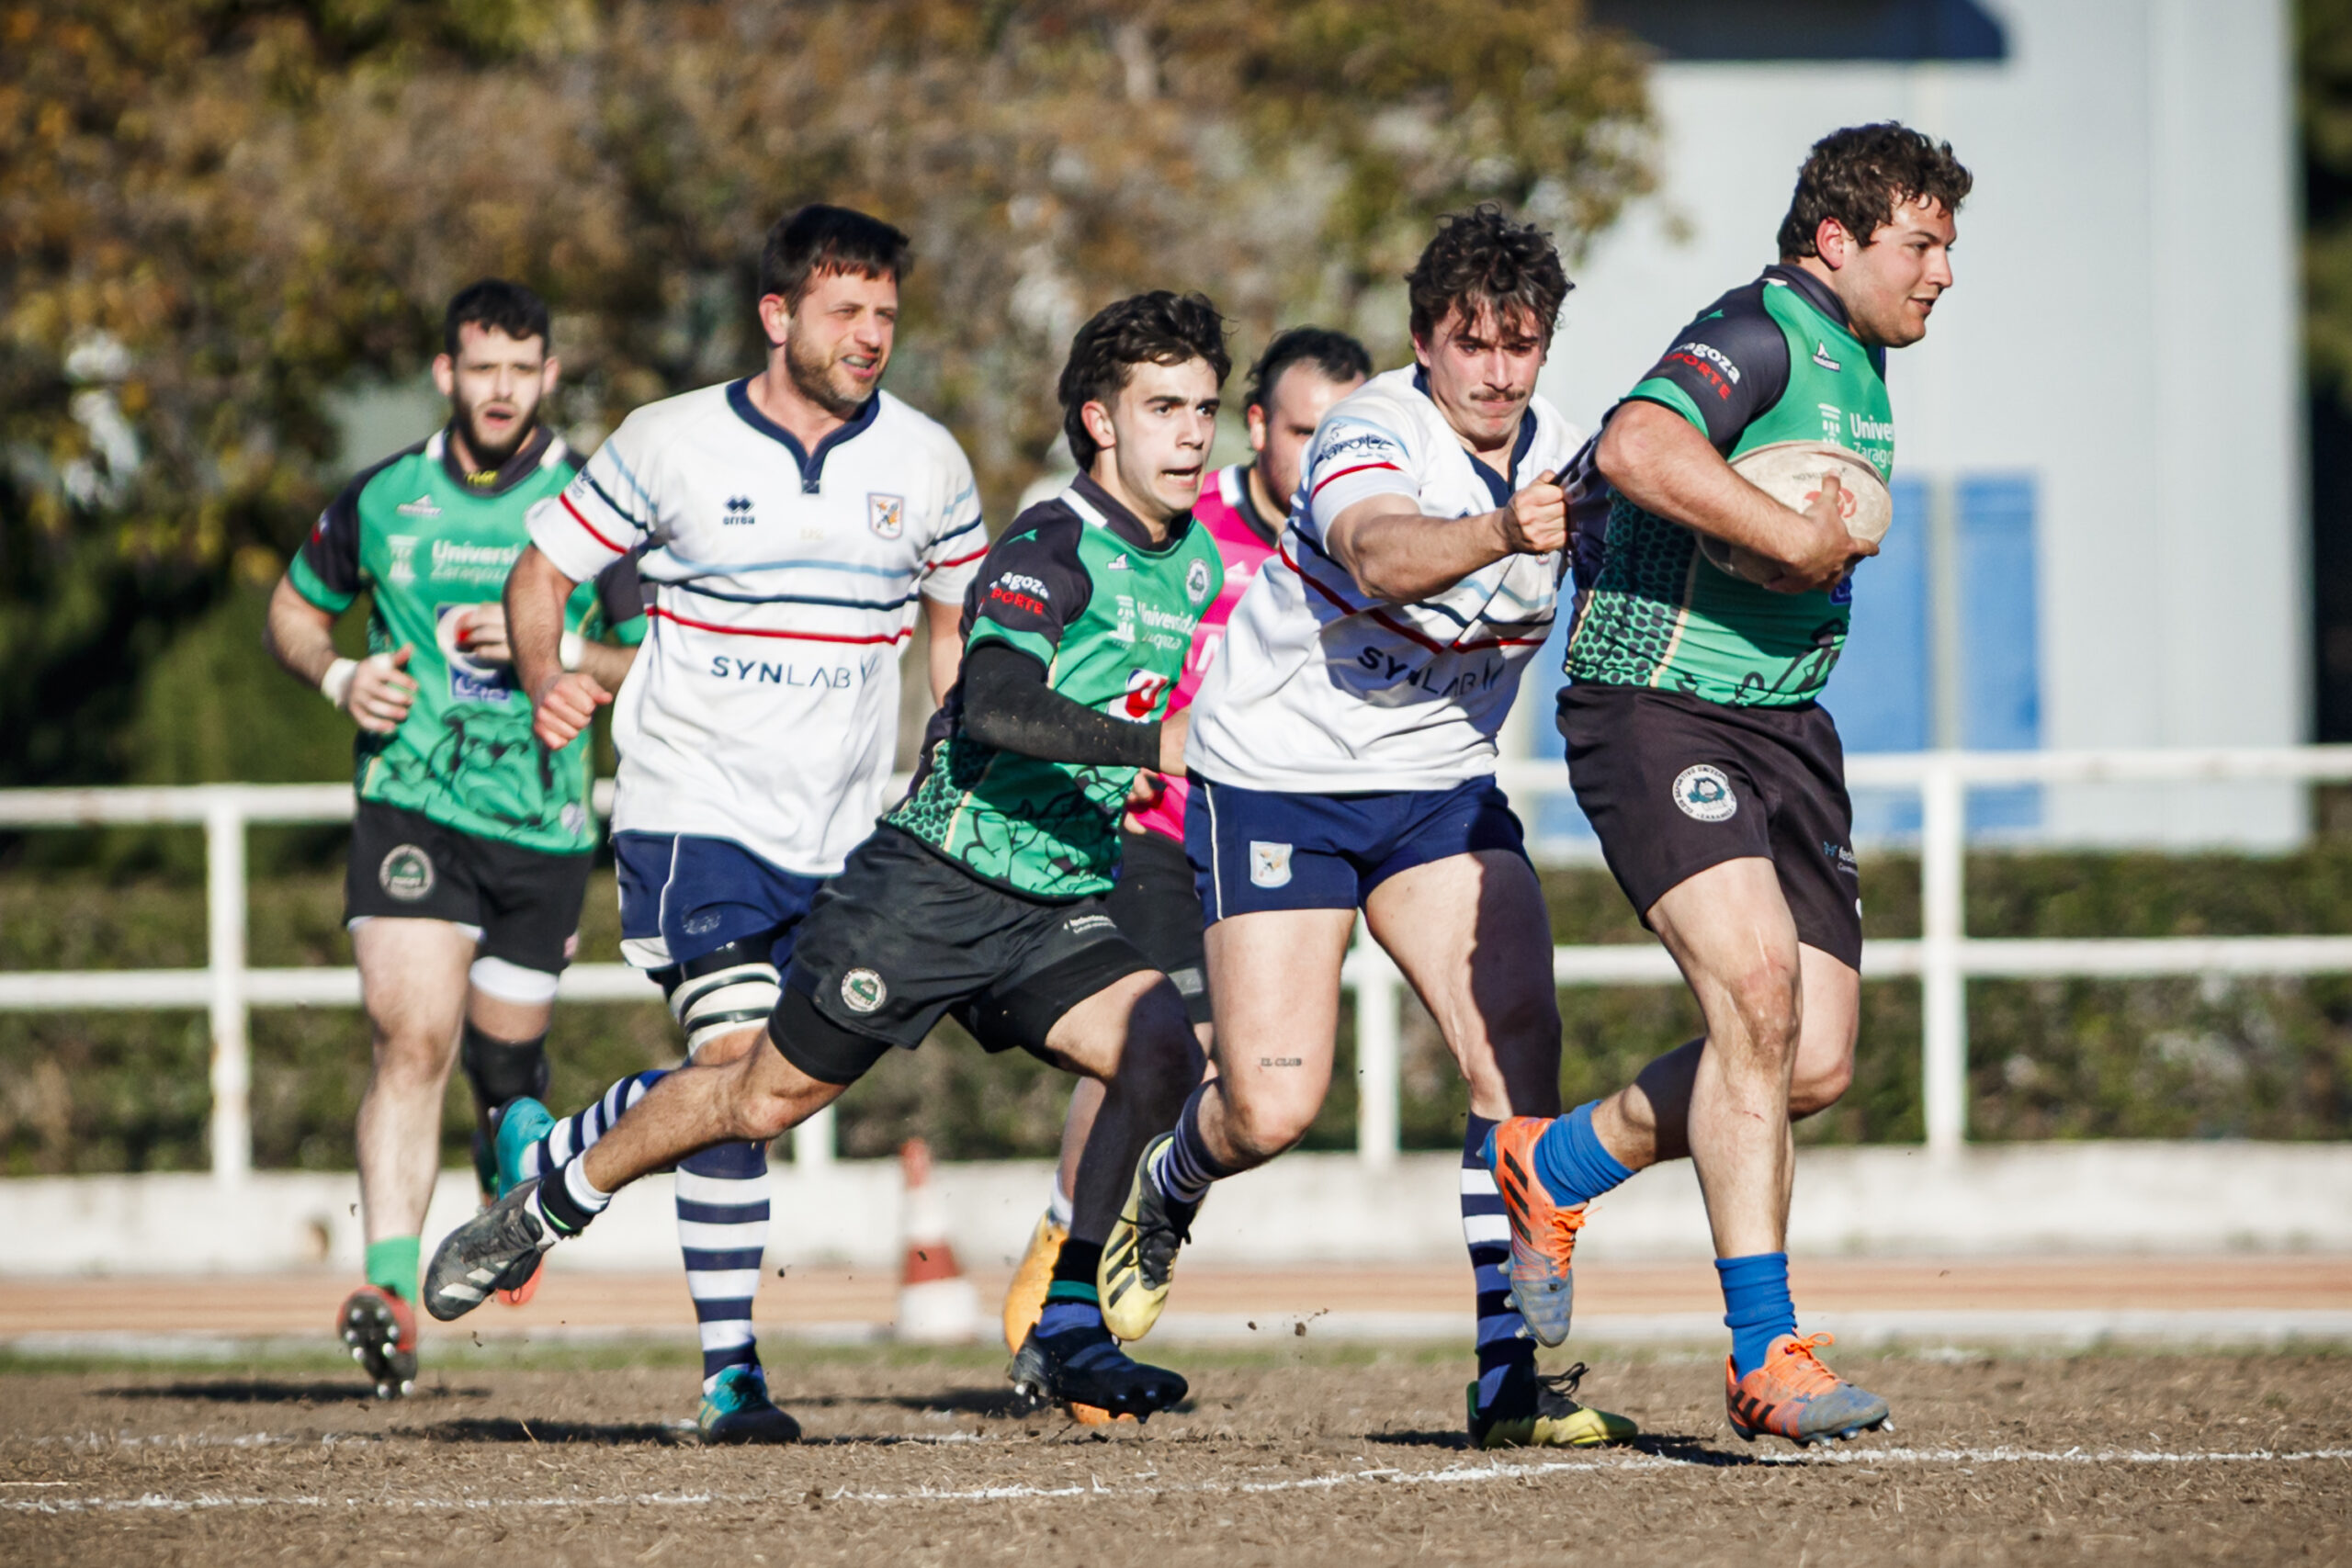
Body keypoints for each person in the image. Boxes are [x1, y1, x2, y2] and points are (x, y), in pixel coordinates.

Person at [427, 290, 1230, 1427]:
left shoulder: (1193, 559)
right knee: (758, 1098)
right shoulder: (1051, 543)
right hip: (934, 887)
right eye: (1163, 409)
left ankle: (1066, 1327)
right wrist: (1154, 744)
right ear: (1100, 423)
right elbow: (993, 704)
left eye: (1203, 409)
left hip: (1052, 898)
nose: (1192, 435)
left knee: (1160, 1049)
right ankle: (553, 1196)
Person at [1098, 208, 1636, 1450]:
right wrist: (1505, 530)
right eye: (1471, 342)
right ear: (1423, 340)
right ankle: (1170, 1185)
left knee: (1518, 1055)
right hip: (1278, 778)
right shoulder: (1369, 429)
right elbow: (1381, 553)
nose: (1497, 370)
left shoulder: (1575, 455)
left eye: (1521, 343)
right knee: (1270, 1109)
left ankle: (1508, 1378)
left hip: (1437, 788)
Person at [1492, 123, 1971, 1448]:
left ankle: (1555, 1162)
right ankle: (1767, 1353)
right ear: (1836, 238)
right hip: (1658, 706)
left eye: (1947, 249)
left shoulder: (1861, 360)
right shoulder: (1757, 329)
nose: (1941, 273)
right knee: (1755, 994)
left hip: (1784, 725)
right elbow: (1637, 448)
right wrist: (1790, 536)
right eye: (1920, 245)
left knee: (1809, 1058)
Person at [490, 205, 984, 1441]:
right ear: (777, 315)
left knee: (770, 1088)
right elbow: (539, 573)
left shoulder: (928, 460)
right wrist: (548, 674)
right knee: (734, 1058)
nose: (870, 335)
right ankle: (732, 1375)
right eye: (844, 310)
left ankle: (558, 1160)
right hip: (692, 811)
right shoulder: (669, 441)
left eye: (885, 314)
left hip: (845, 837)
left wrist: (956, 750)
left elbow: (956, 627)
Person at [261, 280, 644, 1399]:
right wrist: (338, 675)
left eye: (521, 370)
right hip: (412, 806)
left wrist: (552, 652)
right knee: (411, 1036)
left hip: (542, 827)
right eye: (482, 369)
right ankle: (389, 1292)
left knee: (503, 1067)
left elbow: (654, 662)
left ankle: (501, 1179)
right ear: (446, 374)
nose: (501, 390)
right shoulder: (386, 497)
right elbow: (292, 608)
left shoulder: (591, 506)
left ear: (549, 375)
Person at [998, 326, 1373, 1395]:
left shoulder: (1365, 543)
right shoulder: (1180, 522)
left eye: (1343, 437)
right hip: (1156, 833)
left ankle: (1157, 1206)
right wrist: (1119, 747)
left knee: (1262, 1091)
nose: (1324, 458)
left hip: (1276, 841)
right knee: (1156, 1039)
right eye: (1303, 433)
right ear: (1256, 426)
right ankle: (1063, 1267)